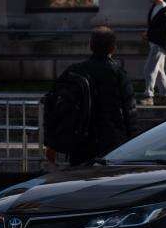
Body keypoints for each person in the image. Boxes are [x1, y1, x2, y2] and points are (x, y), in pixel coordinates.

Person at [51, 27, 138, 166]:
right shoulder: (118, 73)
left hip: (80, 141)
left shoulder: (74, 71)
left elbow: (56, 103)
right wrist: (133, 141)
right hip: (111, 141)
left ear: (90, 45)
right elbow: (130, 111)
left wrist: (54, 140)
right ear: (113, 48)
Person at [141, 0, 166, 106]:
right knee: (159, 70)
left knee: (149, 68)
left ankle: (149, 96)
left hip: (160, 43)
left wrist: (149, 33)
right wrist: (149, 34)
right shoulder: (154, 8)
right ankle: (165, 97)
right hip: (154, 42)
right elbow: (154, 26)